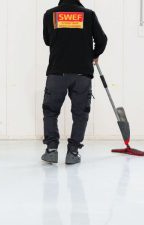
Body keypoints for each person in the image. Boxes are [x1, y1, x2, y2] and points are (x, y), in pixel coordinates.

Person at [41, 0, 107, 164]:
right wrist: (93, 54)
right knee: (80, 114)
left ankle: (51, 150)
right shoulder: (89, 15)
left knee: (50, 112)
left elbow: (47, 40)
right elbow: (102, 40)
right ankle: (73, 152)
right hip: (82, 74)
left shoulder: (50, 14)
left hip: (57, 73)